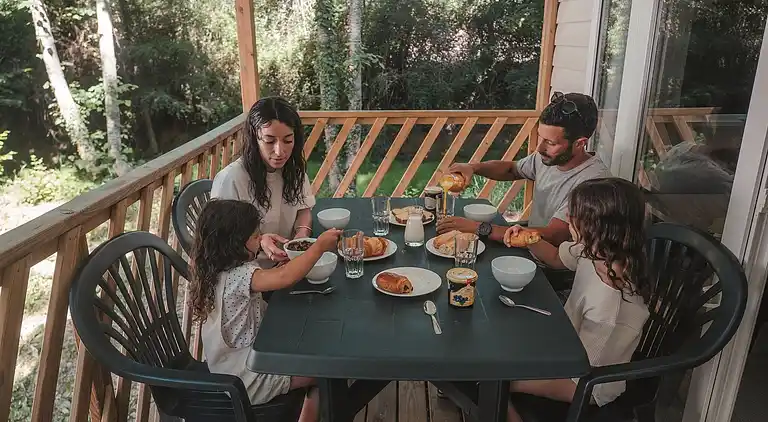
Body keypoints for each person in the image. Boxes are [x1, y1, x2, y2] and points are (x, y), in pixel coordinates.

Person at [502, 178, 651, 422]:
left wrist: (517, 376)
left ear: (596, 226)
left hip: (588, 384)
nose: (568, 218)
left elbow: (583, 374)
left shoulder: (608, 303)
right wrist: (530, 238)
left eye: (574, 215)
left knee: (493, 379)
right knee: (499, 352)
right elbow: (556, 257)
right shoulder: (596, 252)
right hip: (566, 346)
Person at [190, 199, 342, 422]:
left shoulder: (213, 269)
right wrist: (318, 247)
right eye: (255, 236)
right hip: (248, 378)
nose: (261, 239)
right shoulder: (239, 276)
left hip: (229, 367)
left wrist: (271, 258)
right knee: (328, 369)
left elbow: (273, 277)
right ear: (235, 243)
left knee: (316, 354)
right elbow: (284, 277)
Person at [437, 92, 611, 246]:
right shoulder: (548, 158)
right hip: (527, 248)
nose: (539, 148)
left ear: (580, 143)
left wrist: (480, 228)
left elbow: (554, 235)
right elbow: (512, 169)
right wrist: (473, 167)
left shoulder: (594, 183)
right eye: (540, 137)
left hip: (554, 265)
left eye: (550, 143)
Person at [212, 96, 315, 268]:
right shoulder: (231, 179)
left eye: (288, 140)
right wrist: (260, 242)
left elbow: (303, 209)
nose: (280, 151)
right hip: (248, 272)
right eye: (269, 141)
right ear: (254, 138)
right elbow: (222, 242)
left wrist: (302, 234)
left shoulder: (294, 170)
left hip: (289, 265)